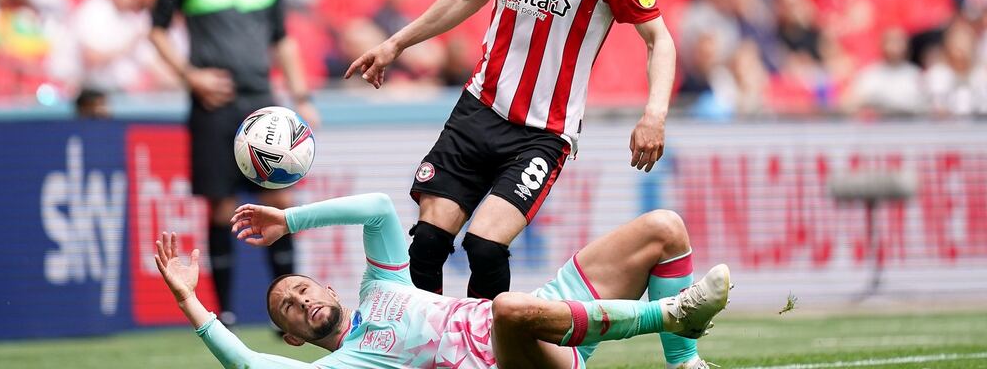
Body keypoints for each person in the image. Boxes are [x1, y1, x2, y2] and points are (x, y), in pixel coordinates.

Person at [345, 0, 677, 308]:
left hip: (542, 134)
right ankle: (426, 352)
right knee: (429, 243)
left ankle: (486, 351)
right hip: (478, 109)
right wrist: (397, 43)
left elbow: (660, 40)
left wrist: (654, 115)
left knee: (483, 244)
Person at [154, 193, 731, 369]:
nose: (299, 298)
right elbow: (248, 365)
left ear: (330, 288)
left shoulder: (381, 287)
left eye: (301, 286)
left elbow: (380, 208)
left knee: (663, 228)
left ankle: (683, 362)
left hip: (547, 315)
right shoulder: (341, 365)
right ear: (294, 339)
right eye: (287, 308)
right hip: (516, 358)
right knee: (507, 306)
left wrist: (290, 219)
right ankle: (671, 314)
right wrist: (188, 298)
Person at [149, 0, 321, 325]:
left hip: (261, 103)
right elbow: (157, 29)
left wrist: (301, 96)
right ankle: (224, 310)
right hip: (212, 105)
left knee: (280, 201)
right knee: (222, 206)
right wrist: (191, 76)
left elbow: (282, 39)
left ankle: (291, 309)